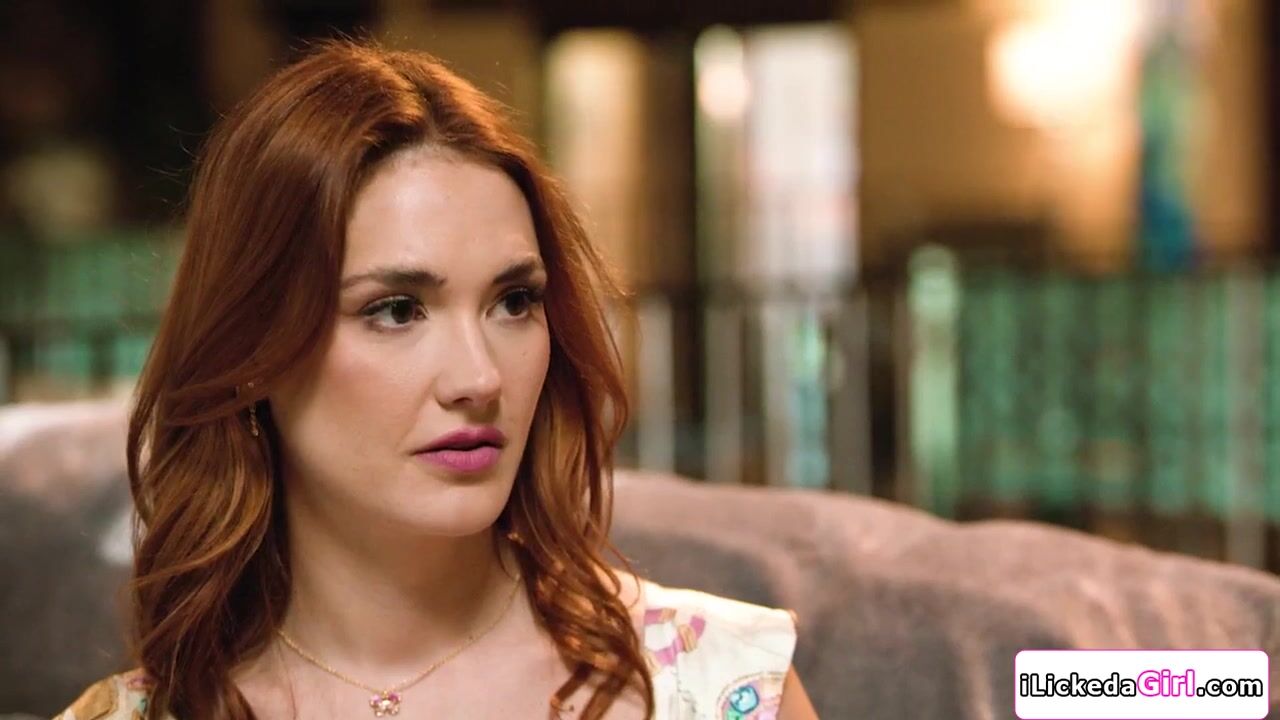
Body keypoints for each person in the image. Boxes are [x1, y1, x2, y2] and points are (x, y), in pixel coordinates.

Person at [55, 40, 819, 720]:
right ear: (252, 349)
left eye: (513, 302)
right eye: (396, 310)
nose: (479, 377)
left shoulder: (721, 686)